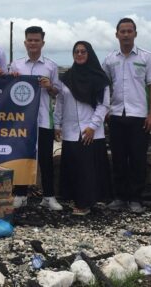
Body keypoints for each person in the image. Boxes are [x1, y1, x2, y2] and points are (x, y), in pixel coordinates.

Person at [102, 18, 151, 213]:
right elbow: (103, 86)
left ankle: (136, 198)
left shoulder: (146, 57)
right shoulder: (110, 59)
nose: (126, 34)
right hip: (117, 115)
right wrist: (105, 110)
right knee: (118, 158)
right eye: (123, 31)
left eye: (130, 31)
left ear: (135, 34)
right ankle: (120, 197)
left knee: (137, 158)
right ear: (116, 34)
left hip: (139, 116)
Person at [54, 41, 111, 215]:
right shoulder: (67, 78)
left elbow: (104, 105)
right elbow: (60, 102)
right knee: (74, 167)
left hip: (90, 130)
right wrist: (57, 124)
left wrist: (93, 126)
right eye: (76, 52)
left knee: (88, 168)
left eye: (83, 52)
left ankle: (85, 203)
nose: (79, 54)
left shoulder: (99, 78)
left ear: (90, 54)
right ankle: (78, 199)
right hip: (71, 130)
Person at [9, 26, 62, 210]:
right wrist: (12, 78)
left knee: (46, 159)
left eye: (36, 40)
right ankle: (20, 194)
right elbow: (8, 91)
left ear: (42, 43)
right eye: (30, 40)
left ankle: (48, 196)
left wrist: (49, 86)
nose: (33, 43)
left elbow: (58, 93)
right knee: (22, 158)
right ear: (25, 42)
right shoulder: (16, 65)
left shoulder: (51, 66)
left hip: (44, 120)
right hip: (21, 122)